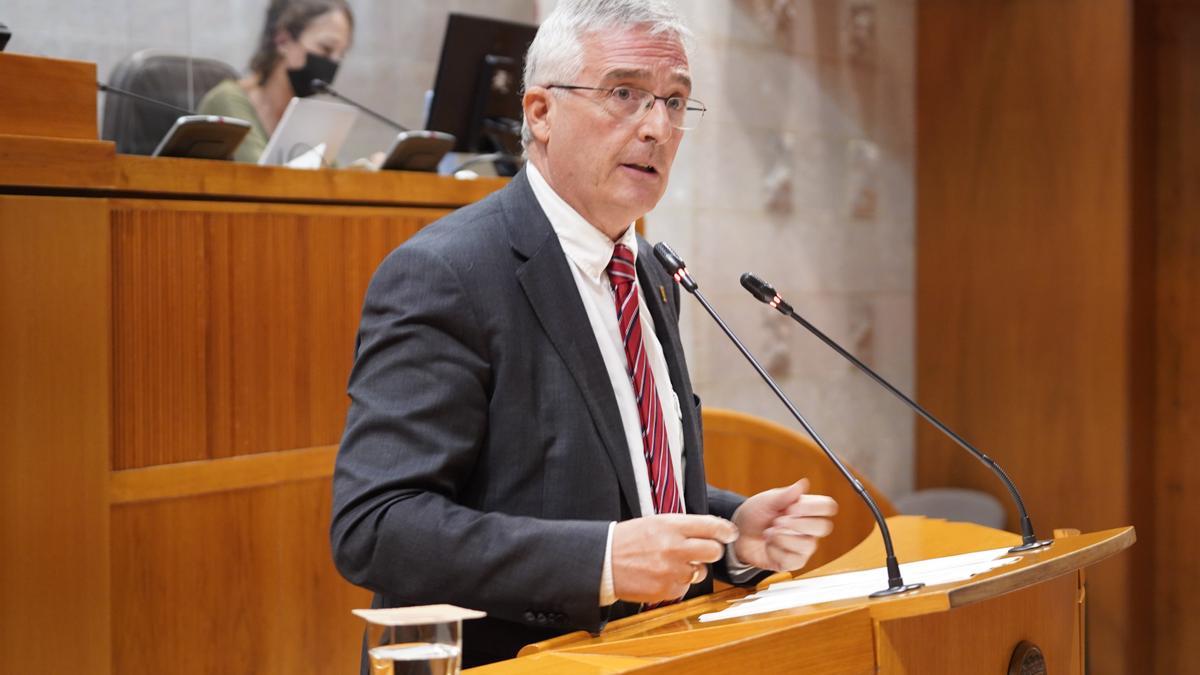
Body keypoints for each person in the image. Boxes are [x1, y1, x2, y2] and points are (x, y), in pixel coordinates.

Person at [330, 0, 838, 668]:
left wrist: (733, 537)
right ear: (539, 112)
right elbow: (377, 525)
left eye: (676, 101)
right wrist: (598, 560)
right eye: (625, 94)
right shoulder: (447, 273)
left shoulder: (653, 275)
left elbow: (616, 478)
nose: (657, 126)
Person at [196, 0, 353, 162]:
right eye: (326, 48)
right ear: (283, 40)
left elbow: (333, 178)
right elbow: (261, 181)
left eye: (341, 55)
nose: (333, 62)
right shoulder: (226, 101)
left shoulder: (305, 117)